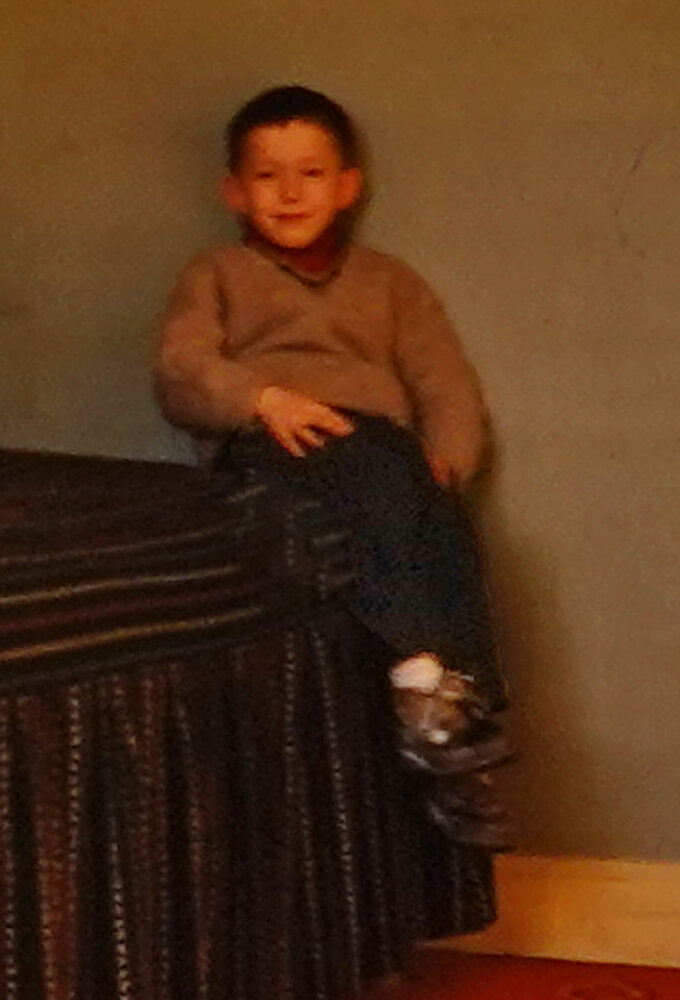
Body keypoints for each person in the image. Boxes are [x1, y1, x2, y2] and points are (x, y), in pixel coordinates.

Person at [154, 85, 509, 845]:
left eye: (310, 174)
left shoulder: (390, 283)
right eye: (267, 176)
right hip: (272, 445)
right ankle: (431, 688)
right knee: (374, 467)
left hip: (377, 447)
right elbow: (181, 368)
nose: (289, 193)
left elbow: (445, 383)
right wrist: (261, 399)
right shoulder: (217, 273)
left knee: (417, 487)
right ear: (234, 191)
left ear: (347, 186)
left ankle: (449, 714)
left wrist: (447, 460)